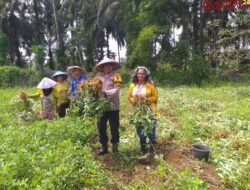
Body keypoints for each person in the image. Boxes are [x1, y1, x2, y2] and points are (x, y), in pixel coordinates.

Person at [128, 66, 158, 154]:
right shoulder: (133, 85)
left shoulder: (150, 85)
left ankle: (152, 148)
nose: (140, 75)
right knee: (139, 128)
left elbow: (155, 97)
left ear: (146, 75)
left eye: (142, 73)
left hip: (149, 109)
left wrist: (146, 100)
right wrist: (133, 100)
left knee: (151, 127)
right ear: (136, 75)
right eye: (139, 73)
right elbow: (129, 97)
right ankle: (143, 148)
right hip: (138, 111)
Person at [95, 58, 122, 155]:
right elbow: (94, 90)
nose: (108, 67)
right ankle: (104, 147)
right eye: (106, 65)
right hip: (101, 107)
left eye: (110, 65)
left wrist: (105, 93)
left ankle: (115, 146)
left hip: (113, 106)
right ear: (102, 67)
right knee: (101, 127)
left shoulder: (116, 76)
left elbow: (117, 89)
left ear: (112, 66)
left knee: (114, 127)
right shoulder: (98, 78)